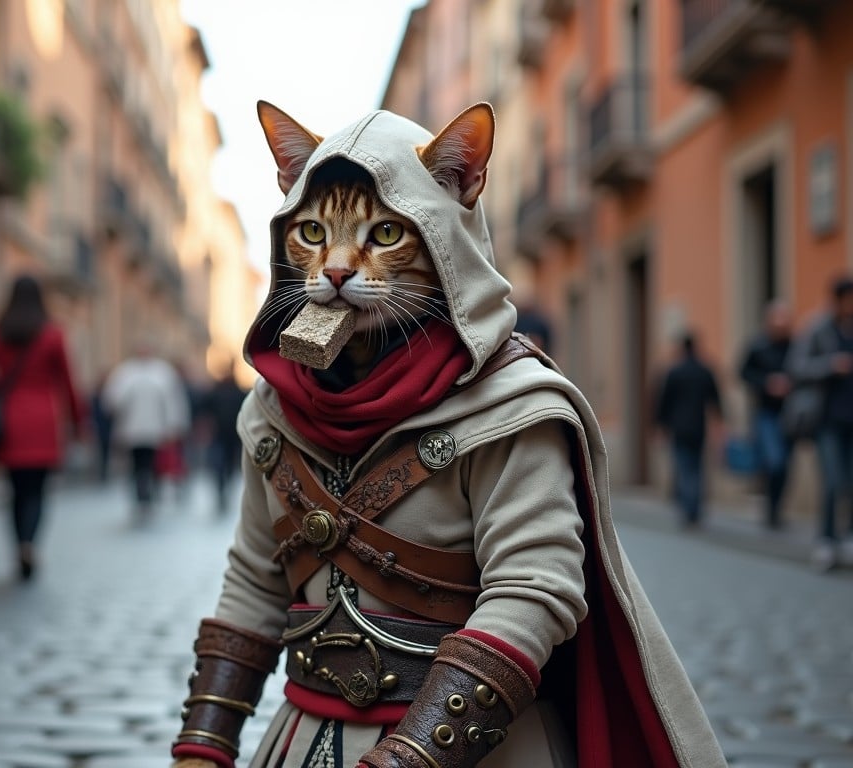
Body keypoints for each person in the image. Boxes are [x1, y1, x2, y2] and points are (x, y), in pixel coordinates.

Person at [170, 102, 725, 768]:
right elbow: (255, 584)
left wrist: (412, 757)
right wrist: (202, 747)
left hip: (471, 749)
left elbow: (534, 587)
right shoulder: (273, 406)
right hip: (302, 739)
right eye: (314, 232)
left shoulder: (511, 401)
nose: (339, 266)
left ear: (444, 234)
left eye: (382, 234)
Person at [0, 275, 82, 581]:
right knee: (38, 491)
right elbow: (68, 383)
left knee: (15, 490)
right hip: (44, 421)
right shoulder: (53, 334)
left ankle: (18, 544)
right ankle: (30, 544)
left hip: (10, 421)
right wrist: (78, 422)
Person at [787, 275, 853, 571]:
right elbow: (796, 367)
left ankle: (847, 538)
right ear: (837, 300)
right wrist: (830, 366)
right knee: (832, 481)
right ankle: (826, 540)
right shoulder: (819, 330)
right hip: (827, 420)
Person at [103, 338, 190, 520]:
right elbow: (113, 400)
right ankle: (141, 496)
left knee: (152, 464)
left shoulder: (163, 373)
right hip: (132, 431)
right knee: (137, 465)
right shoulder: (125, 373)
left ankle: (149, 494)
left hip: (155, 431)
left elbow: (173, 403)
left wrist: (173, 426)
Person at [655, 332, 723, 527]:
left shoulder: (674, 372)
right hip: (698, 426)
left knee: (684, 467)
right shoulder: (704, 371)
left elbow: (664, 401)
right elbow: (715, 399)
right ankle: (695, 507)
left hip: (679, 427)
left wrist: (661, 425)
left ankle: (688, 506)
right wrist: (719, 422)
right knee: (697, 467)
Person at [738, 300, 793, 529]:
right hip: (765, 412)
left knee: (786, 465)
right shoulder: (757, 345)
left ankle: (776, 508)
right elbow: (743, 372)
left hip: (791, 413)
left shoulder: (795, 346)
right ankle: (771, 507)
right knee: (774, 461)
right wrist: (766, 383)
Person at [197, 361, 248, 511]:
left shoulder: (239, 392)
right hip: (218, 435)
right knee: (219, 465)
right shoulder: (216, 391)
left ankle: (224, 491)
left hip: (233, 435)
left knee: (229, 466)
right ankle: (221, 492)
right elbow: (204, 411)